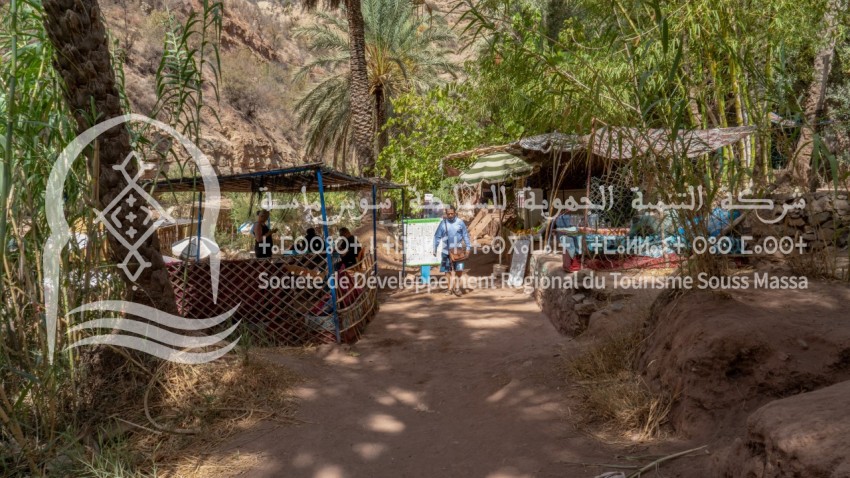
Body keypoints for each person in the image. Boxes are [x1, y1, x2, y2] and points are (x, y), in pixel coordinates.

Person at [433, 206, 471, 296]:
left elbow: (465, 235)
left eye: (452, 213)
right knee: (447, 270)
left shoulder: (460, 223)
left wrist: (468, 248)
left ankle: (457, 287)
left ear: (455, 213)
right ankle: (449, 289)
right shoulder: (443, 223)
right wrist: (435, 248)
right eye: (448, 214)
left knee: (459, 269)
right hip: (446, 251)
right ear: (446, 214)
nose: (450, 215)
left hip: (458, 251)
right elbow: (437, 236)